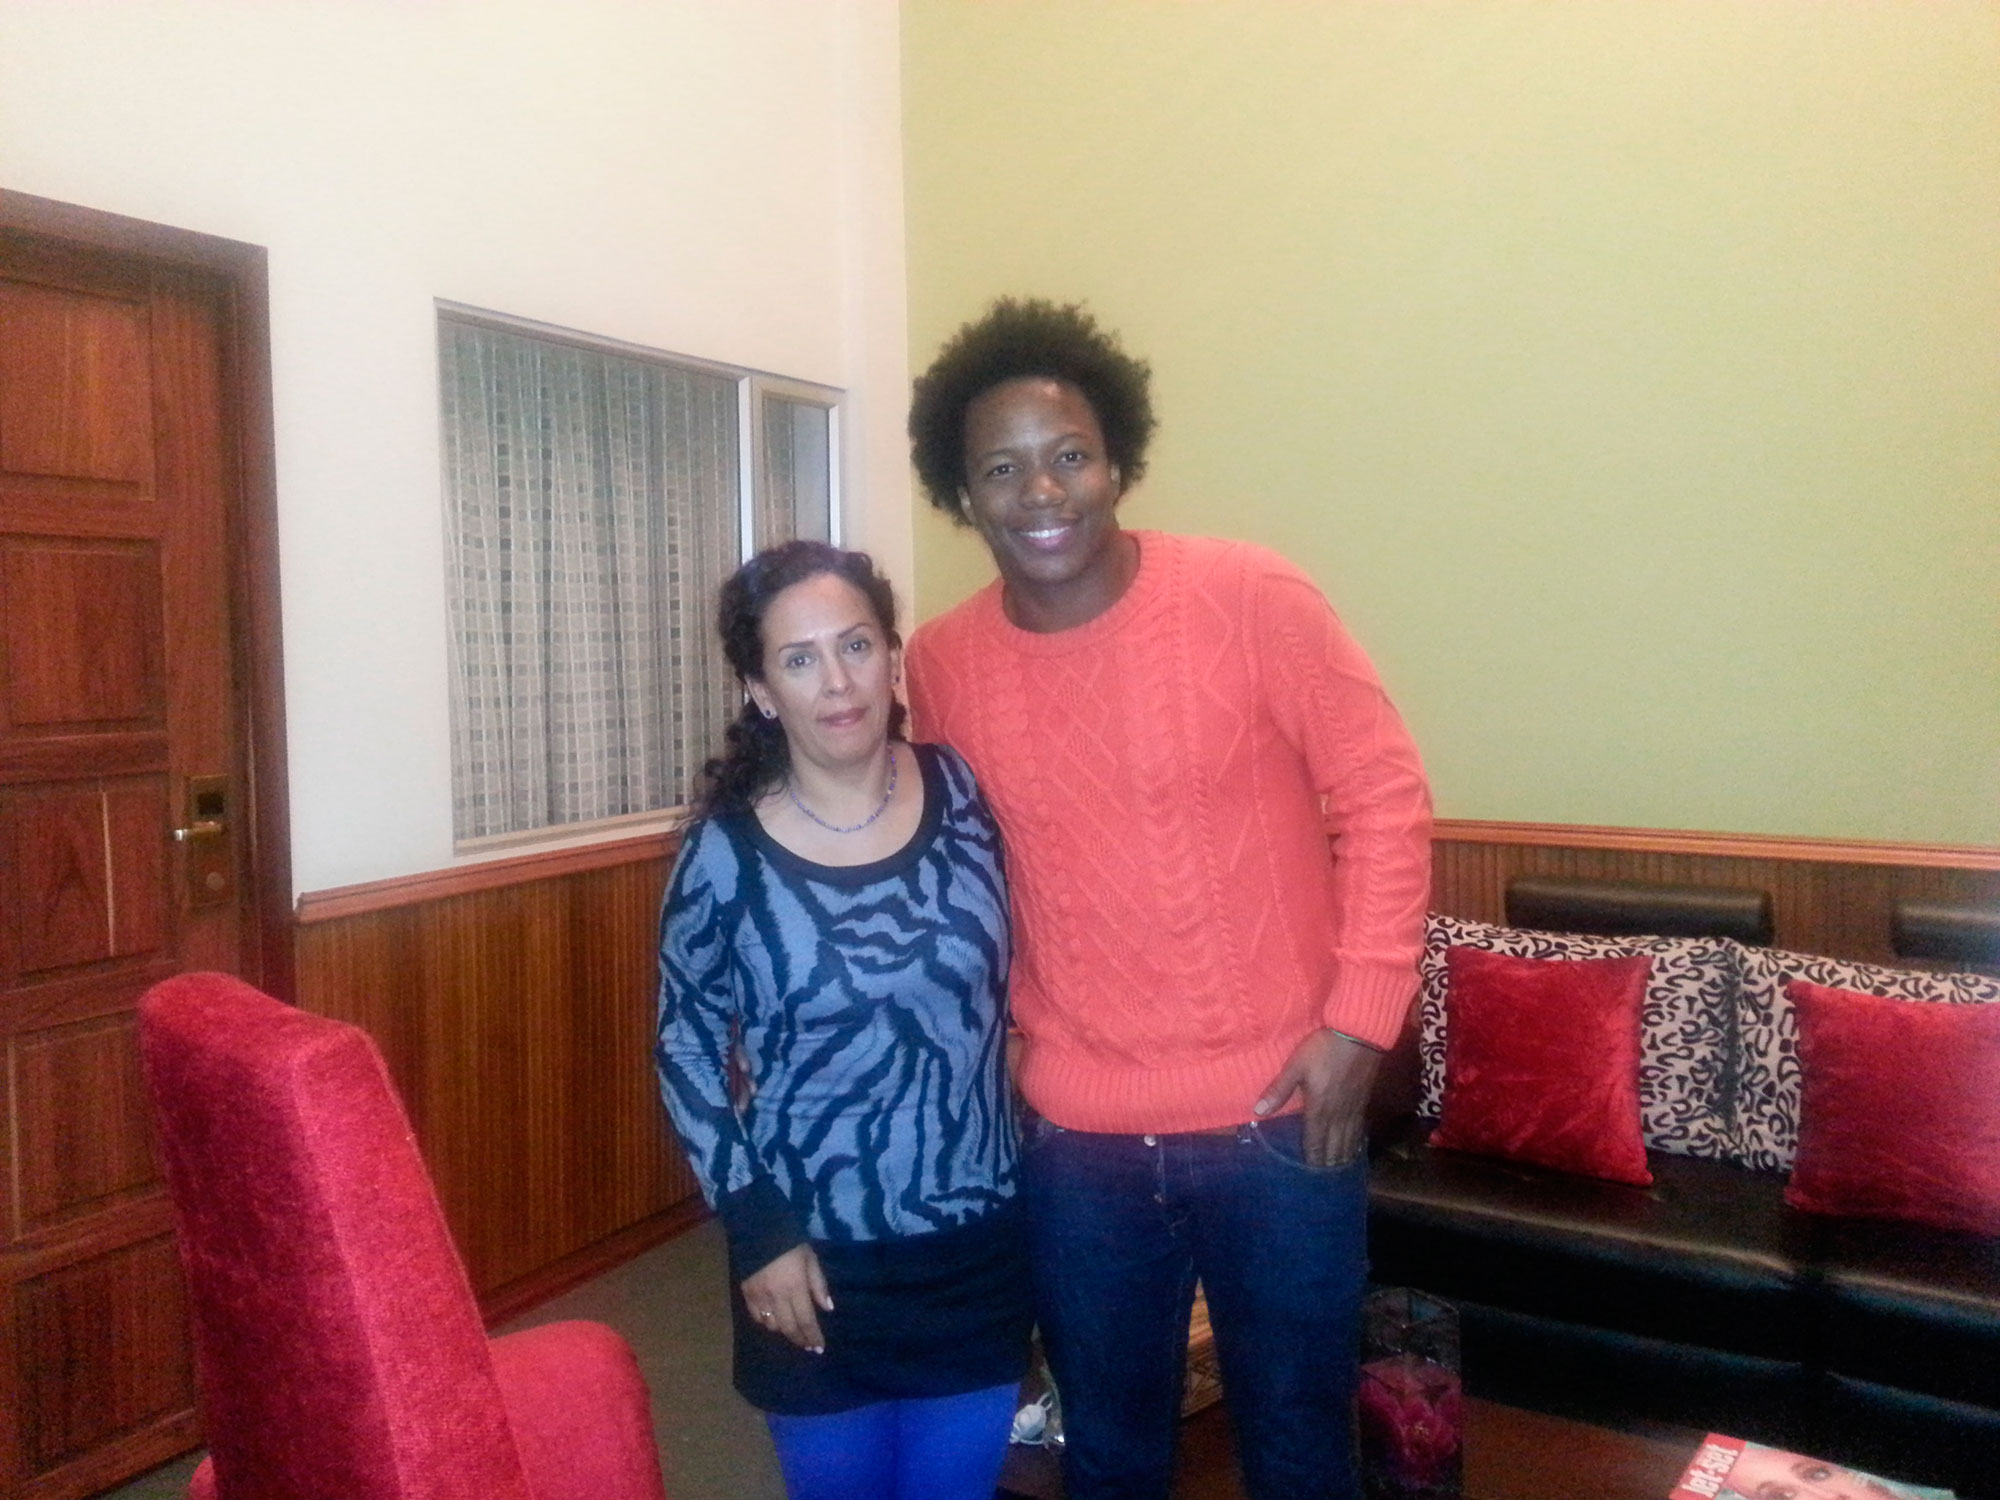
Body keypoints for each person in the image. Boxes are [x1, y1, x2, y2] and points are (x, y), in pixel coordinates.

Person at [904, 298, 1433, 1500]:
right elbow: (960, 865)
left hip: (1279, 1120)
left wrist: (1358, 1024)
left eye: (1068, 455)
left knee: (1298, 1454)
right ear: (962, 493)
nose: (1041, 492)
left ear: (1116, 462)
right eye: (1001, 469)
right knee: (1108, 1455)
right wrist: (994, 1037)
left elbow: (1383, 797)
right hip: (1076, 1145)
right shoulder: (939, 662)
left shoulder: (1250, 595)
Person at [654, 540, 1030, 1500]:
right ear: (760, 689)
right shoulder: (724, 855)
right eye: (799, 658)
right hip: (809, 1263)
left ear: (891, 655)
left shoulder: (966, 793)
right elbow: (685, 1043)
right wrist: (756, 1231)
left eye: (856, 645)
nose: (836, 681)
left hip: (977, 1249)